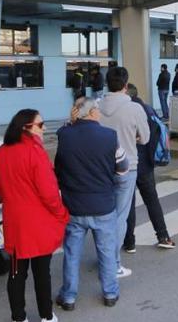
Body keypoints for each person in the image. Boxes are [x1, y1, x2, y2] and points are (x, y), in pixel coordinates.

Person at [0, 109, 69, 322]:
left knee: (16, 272)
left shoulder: (2, 152)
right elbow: (49, 192)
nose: (43, 128)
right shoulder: (35, 152)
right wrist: (61, 213)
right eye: (40, 124)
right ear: (26, 127)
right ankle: (46, 318)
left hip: (15, 222)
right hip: (38, 222)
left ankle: (18, 321)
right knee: (41, 272)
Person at [55, 98, 129, 309]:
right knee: (106, 252)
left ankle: (68, 296)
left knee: (71, 253)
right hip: (103, 204)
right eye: (97, 109)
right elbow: (122, 168)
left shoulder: (65, 135)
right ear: (93, 112)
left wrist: (70, 122)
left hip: (74, 205)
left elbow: (58, 168)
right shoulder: (109, 136)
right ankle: (110, 293)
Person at [99, 66, 150, 278]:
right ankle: (113, 264)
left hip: (100, 168)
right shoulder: (135, 108)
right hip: (127, 168)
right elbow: (145, 138)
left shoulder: (96, 107)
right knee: (120, 217)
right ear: (126, 86)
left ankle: (105, 255)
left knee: (104, 216)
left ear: (106, 84)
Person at [123, 84, 176, 251]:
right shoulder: (149, 110)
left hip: (128, 163)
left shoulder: (126, 111)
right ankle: (163, 236)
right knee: (152, 200)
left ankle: (129, 242)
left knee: (128, 203)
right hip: (146, 164)